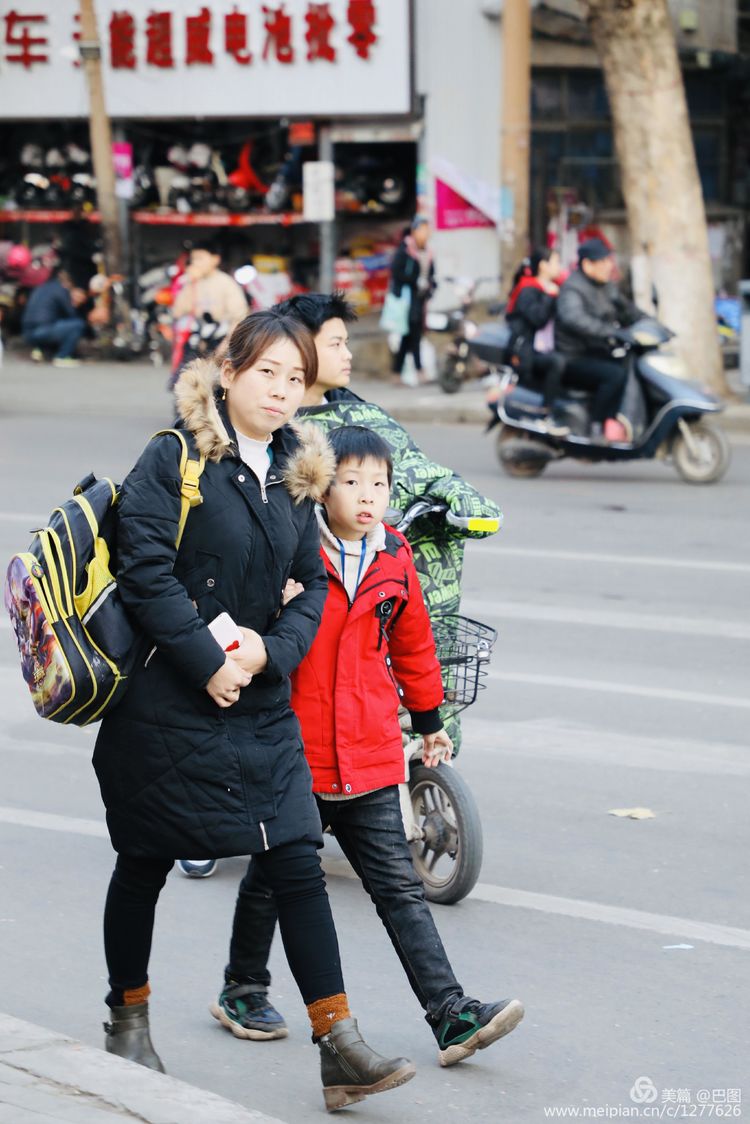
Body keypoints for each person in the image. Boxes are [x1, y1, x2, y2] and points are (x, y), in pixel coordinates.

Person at [92, 309, 416, 1111]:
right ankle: (127, 1020)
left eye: (296, 378)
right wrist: (208, 663)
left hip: (263, 703)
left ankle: (339, 1043)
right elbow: (144, 572)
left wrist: (271, 653)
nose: (280, 390)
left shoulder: (299, 473)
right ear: (229, 370)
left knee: (297, 859)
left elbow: (311, 585)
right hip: (169, 700)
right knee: (145, 861)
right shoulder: (173, 457)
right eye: (267, 371)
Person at [211, 425, 525, 1067]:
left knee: (399, 891)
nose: (366, 497)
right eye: (351, 482)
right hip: (295, 752)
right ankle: (243, 987)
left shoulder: (395, 559)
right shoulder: (294, 553)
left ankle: (451, 1015)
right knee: (273, 879)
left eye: (378, 485)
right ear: (322, 489)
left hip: (371, 752)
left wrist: (430, 719)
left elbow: (413, 646)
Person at [177, 291, 499, 884]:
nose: (346, 355)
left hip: (367, 589)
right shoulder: (256, 438)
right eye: (333, 344)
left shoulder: (364, 427)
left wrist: (462, 502)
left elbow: (419, 468)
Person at [555, 238, 645, 441]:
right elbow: (575, 319)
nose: (609, 266)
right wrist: (611, 332)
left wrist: (650, 324)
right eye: (603, 262)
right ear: (587, 264)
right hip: (573, 357)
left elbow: (627, 311)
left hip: (597, 351)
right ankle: (597, 424)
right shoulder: (572, 289)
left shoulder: (606, 286)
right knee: (614, 375)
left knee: (631, 365)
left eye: (609, 261)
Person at [505, 248, 569, 435]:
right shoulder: (528, 289)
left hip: (546, 347)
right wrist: (550, 297)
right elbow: (537, 319)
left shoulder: (553, 287)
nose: (559, 267)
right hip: (527, 352)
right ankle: (545, 415)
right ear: (543, 265)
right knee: (557, 362)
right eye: (556, 262)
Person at [169, 239, 248, 381]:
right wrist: (189, 284)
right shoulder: (188, 281)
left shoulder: (226, 283)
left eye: (200, 258)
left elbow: (238, 318)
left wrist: (224, 347)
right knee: (185, 385)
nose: (196, 263)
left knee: (215, 386)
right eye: (193, 259)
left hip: (219, 340)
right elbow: (177, 312)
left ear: (215, 259)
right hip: (195, 341)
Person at [389, 216, 436, 385]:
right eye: (422, 229)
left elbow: (431, 274)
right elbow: (396, 272)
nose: (426, 233)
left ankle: (398, 373)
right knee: (411, 335)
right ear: (415, 231)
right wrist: (414, 280)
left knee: (410, 336)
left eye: (427, 229)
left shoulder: (428, 252)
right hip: (407, 300)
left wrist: (430, 286)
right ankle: (418, 371)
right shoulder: (405, 250)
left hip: (420, 299)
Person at [21, 267, 86, 367]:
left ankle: (39, 351)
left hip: (27, 332)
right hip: (42, 331)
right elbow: (71, 313)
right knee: (78, 324)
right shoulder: (61, 290)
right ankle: (62, 356)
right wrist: (76, 304)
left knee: (55, 324)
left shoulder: (41, 287)